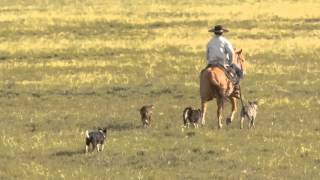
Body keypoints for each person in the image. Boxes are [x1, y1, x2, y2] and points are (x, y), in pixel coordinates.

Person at [206, 24, 243, 97]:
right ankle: (236, 89)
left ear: (214, 32)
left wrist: (209, 61)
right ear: (222, 32)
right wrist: (230, 62)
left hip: (211, 63)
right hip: (222, 63)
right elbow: (231, 52)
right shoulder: (225, 41)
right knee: (239, 72)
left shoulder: (210, 42)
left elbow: (207, 55)